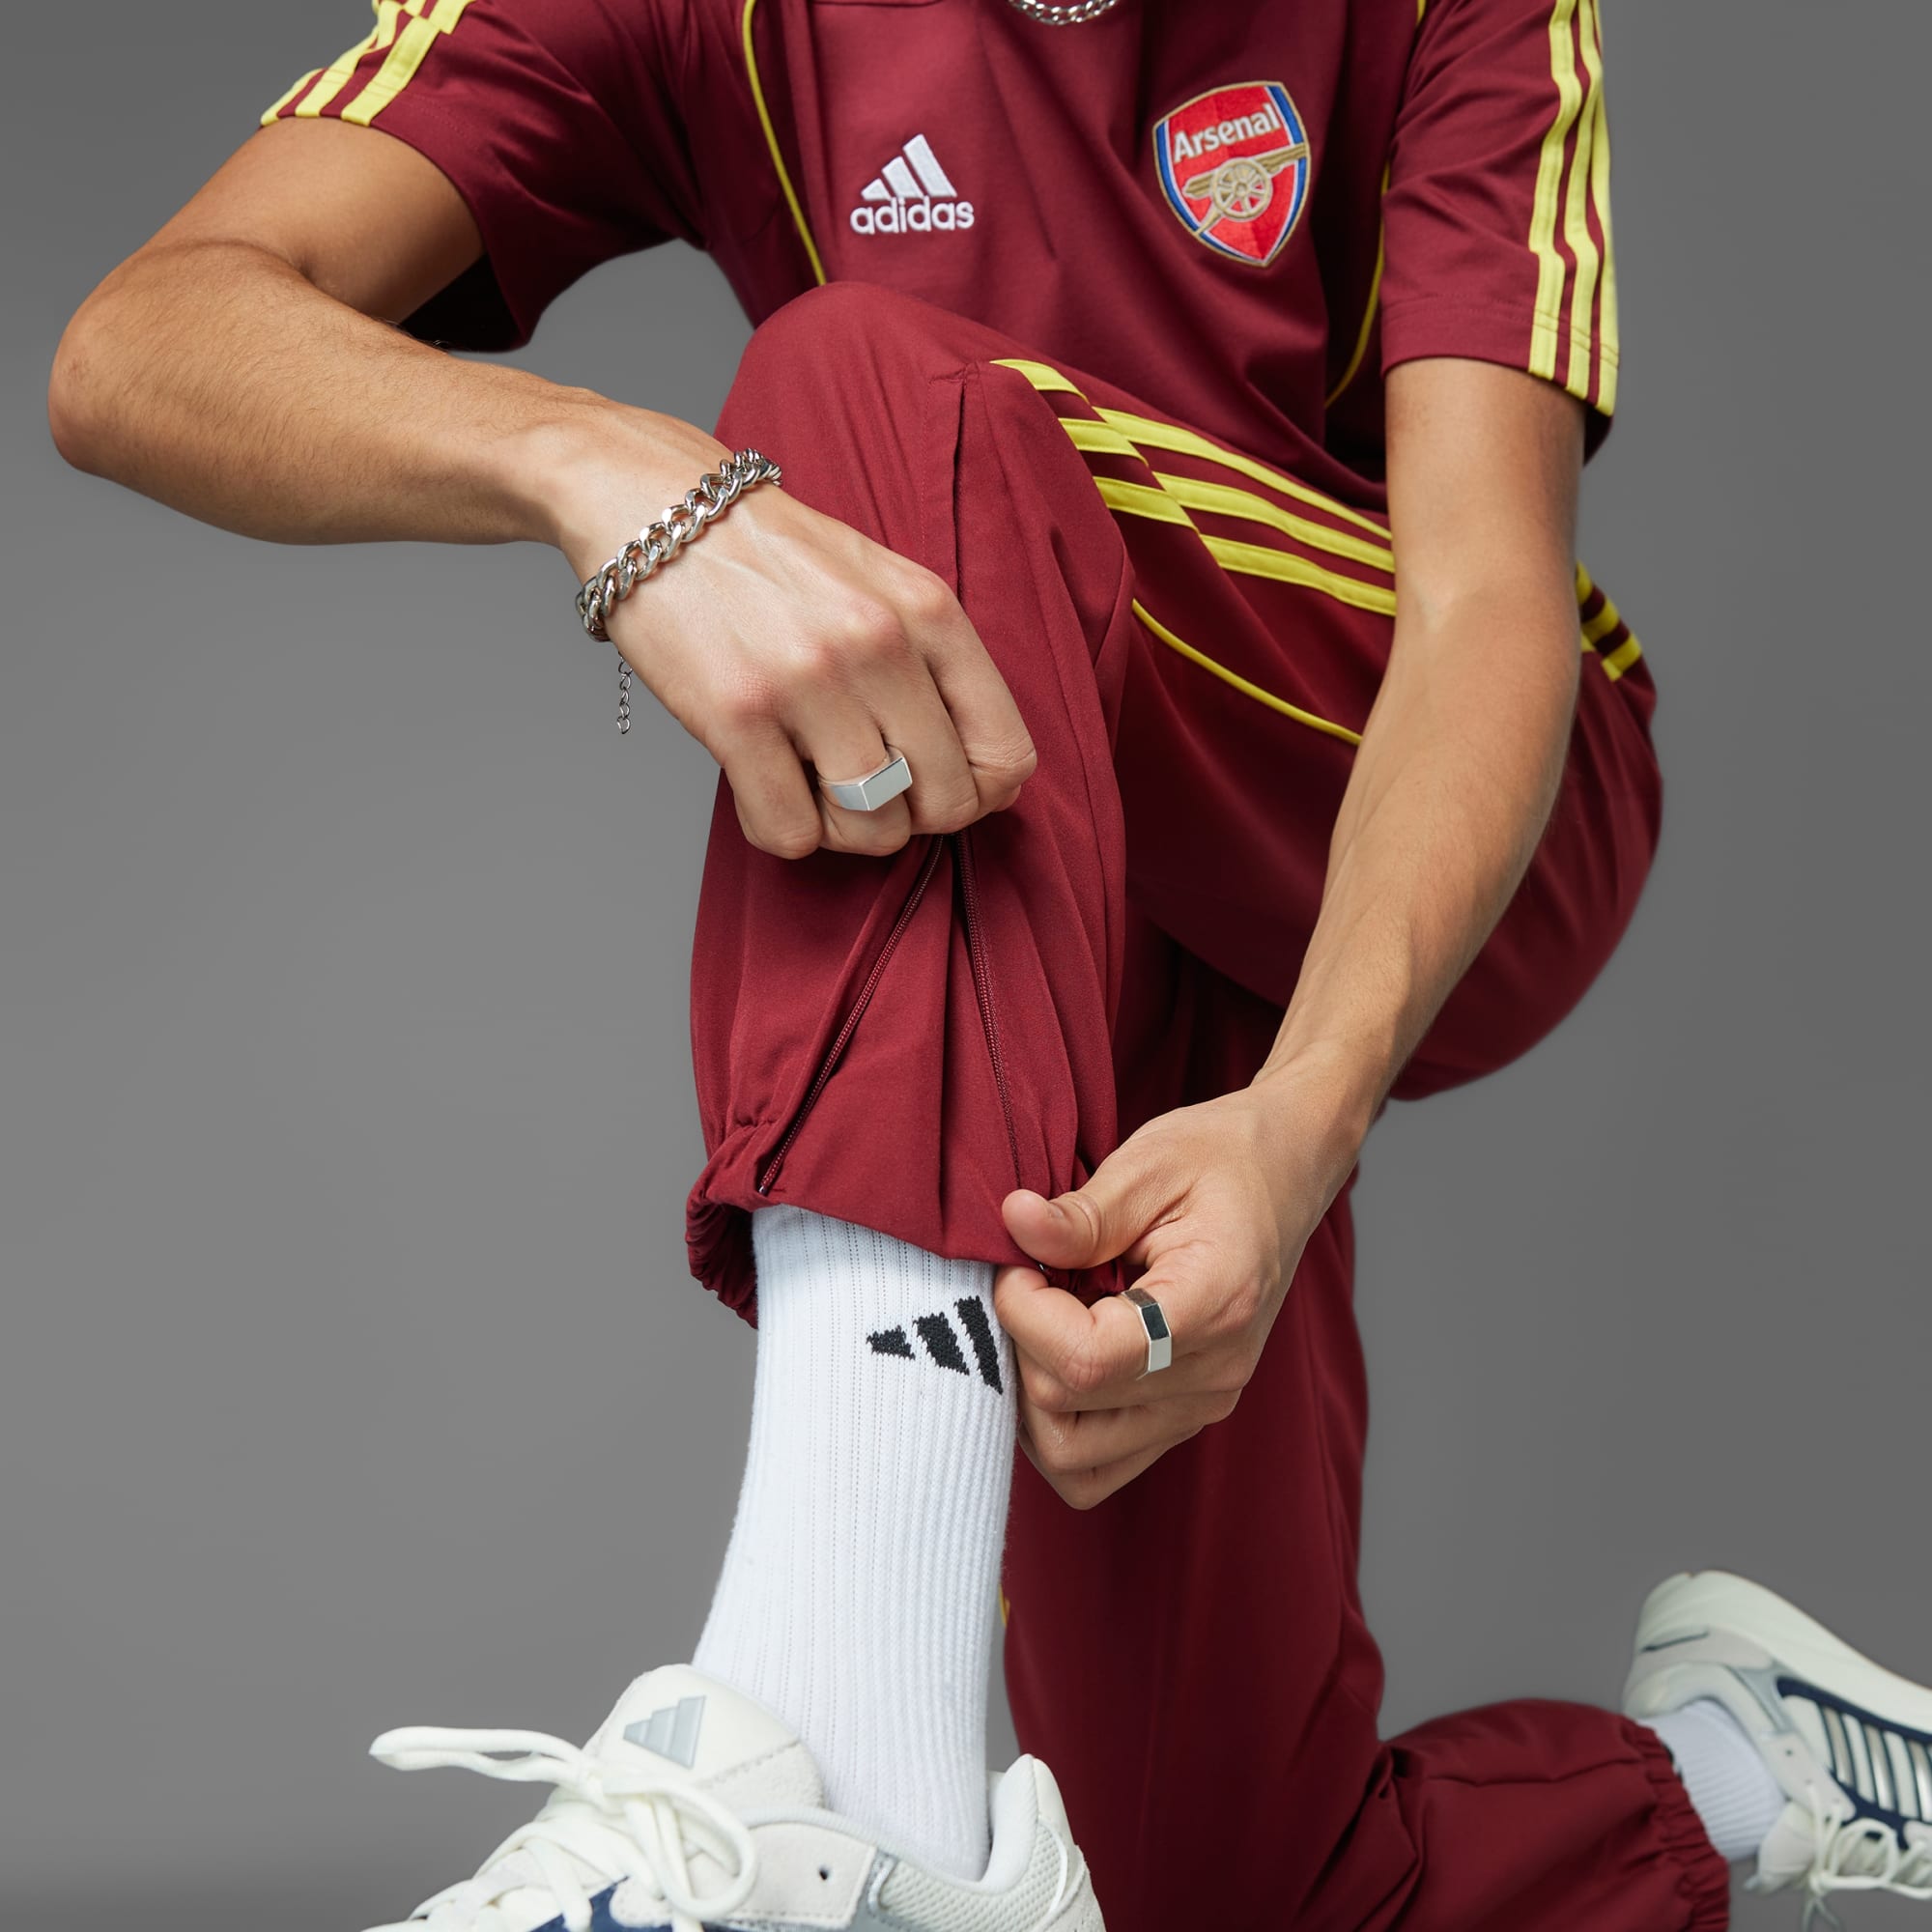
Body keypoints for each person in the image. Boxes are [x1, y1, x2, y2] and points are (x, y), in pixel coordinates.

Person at [45, 1, 1932, 1927]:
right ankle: (1738, 1762)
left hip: (1395, 775)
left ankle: (837, 1778)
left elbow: (1482, 594)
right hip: (1026, 838)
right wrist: (599, 470)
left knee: (864, 377)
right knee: (1216, 1882)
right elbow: (143, 340)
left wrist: (1297, 1125)